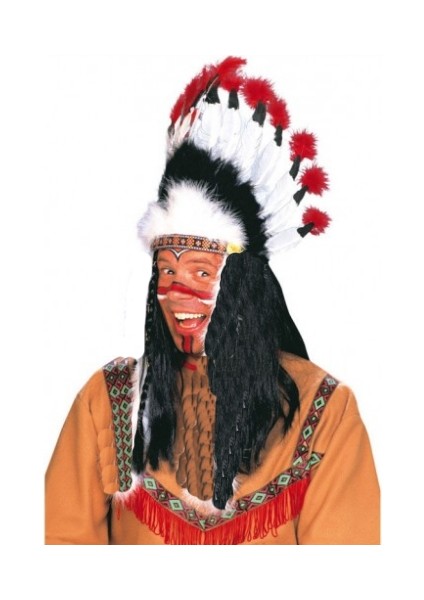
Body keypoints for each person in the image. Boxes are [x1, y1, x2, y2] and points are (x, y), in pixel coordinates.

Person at [45, 56, 380, 545]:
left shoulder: (324, 411)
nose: (177, 293)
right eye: (167, 270)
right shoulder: (107, 402)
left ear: (243, 284)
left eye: (202, 272)